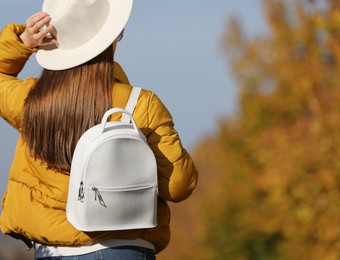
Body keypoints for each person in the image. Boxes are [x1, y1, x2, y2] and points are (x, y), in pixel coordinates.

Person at [0, 0, 198, 259]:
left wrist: (23, 41)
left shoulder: (30, 101)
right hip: (126, 249)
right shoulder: (140, 104)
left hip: (53, 253)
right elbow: (179, 186)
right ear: (109, 41)